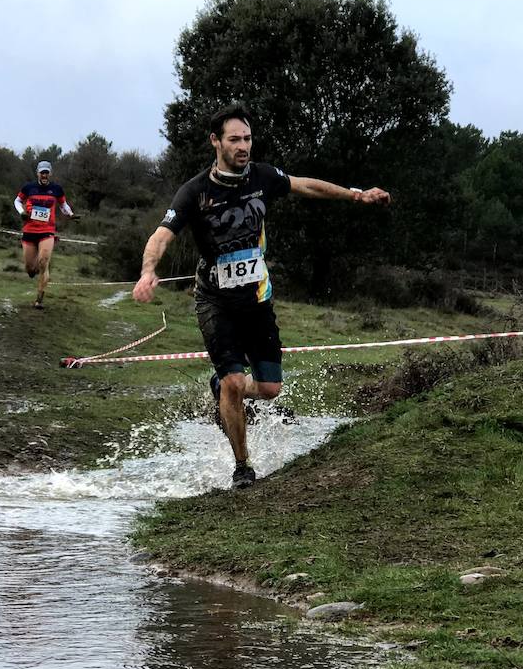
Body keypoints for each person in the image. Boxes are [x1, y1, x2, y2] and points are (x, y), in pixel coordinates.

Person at [132, 103, 390, 489]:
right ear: (215, 142)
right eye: (234, 139)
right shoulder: (195, 191)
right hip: (215, 301)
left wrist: (356, 196)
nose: (243, 146)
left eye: (248, 139)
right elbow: (162, 234)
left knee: (268, 389)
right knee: (236, 381)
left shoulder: (263, 177)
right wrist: (149, 271)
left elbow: (306, 184)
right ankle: (242, 466)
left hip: (256, 298)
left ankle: (224, 388)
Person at [14, 160, 77, 309]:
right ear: (37, 173)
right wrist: (22, 212)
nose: (44, 175)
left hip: (47, 231)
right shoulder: (28, 188)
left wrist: (70, 214)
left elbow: (63, 205)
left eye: (46, 172)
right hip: (29, 230)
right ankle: (34, 270)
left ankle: (39, 299)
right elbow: (17, 201)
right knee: (30, 268)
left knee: (43, 262)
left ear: (50, 174)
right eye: (42, 172)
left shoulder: (56, 189)